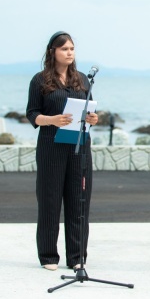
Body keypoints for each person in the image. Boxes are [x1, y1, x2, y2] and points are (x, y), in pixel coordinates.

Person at [26, 31, 99, 271]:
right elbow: (32, 114)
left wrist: (93, 118)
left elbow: (90, 110)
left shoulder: (82, 80)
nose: (69, 53)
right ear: (53, 52)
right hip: (51, 147)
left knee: (79, 202)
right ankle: (48, 256)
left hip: (79, 147)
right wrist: (52, 120)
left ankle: (77, 257)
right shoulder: (40, 80)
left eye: (72, 49)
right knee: (50, 201)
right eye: (64, 49)